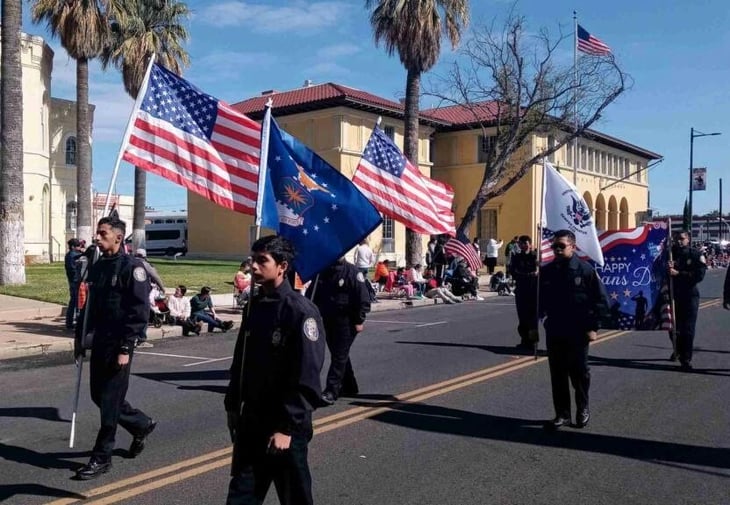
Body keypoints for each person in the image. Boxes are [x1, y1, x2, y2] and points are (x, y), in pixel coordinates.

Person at [224, 235, 325, 505]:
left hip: (284, 425)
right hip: (252, 420)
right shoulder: (254, 306)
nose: (254, 267)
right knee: (240, 496)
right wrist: (233, 404)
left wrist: (287, 429)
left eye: (262, 261)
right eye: (253, 260)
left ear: (282, 266)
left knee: (295, 498)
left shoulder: (300, 311)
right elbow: (241, 362)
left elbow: (307, 375)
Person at [73, 214, 157, 480]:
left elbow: (139, 312)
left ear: (118, 237)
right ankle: (141, 424)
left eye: (102, 233)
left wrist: (125, 347)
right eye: (97, 233)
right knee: (98, 396)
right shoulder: (97, 268)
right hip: (100, 341)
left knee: (109, 401)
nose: (97, 238)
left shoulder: (132, 268)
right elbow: (87, 309)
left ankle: (102, 457)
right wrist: (80, 340)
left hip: (119, 344)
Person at [539, 229, 608, 430]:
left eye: (561, 246)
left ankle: (583, 407)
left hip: (578, 330)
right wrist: (535, 324)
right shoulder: (548, 271)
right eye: (554, 246)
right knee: (557, 373)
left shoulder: (585, 270)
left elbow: (600, 301)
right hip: (555, 328)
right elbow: (540, 300)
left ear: (573, 246)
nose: (557, 250)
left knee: (579, 373)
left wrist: (594, 327)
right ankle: (562, 414)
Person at [307, 257, 370, 405]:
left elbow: (363, 298)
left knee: (339, 356)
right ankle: (350, 385)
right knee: (338, 353)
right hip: (328, 319)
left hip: (346, 321)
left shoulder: (352, 272)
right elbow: (312, 294)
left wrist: (359, 320)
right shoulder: (322, 272)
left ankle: (331, 391)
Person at [667, 230, 707, 369]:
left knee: (688, 329)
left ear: (688, 239)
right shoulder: (669, 254)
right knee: (672, 327)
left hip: (689, 295)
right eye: (677, 238)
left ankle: (686, 358)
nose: (679, 241)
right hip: (673, 295)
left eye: (682, 238)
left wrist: (679, 273)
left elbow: (699, 275)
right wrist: (666, 267)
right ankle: (678, 349)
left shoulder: (695, 255)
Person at [510, 235, 539, 348]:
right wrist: (527, 275)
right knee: (522, 317)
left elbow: (538, 271)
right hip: (521, 290)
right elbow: (513, 271)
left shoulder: (535, 257)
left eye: (525, 243)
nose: (523, 246)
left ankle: (533, 342)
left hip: (533, 290)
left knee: (533, 319)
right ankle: (524, 340)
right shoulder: (517, 257)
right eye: (521, 244)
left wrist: (535, 271)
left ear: (530, 244)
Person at [64, 238, 84, 330]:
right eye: (78, 246)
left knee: (74, 301)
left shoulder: (71, 255)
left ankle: (70, 322)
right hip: (75, 281)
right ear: (73, 247)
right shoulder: (72, 256)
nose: (80, 247)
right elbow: (73, 269)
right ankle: (72, 322)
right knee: (76, 302)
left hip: (73, 280)